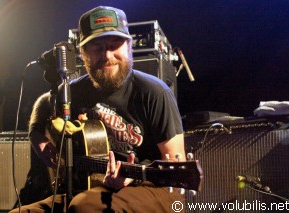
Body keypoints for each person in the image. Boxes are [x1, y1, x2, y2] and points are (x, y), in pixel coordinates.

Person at [10, 6, 186, 213]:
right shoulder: (73, 90)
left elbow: (177, 167)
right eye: (98, 48)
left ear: (129, 46)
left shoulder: (154, 92)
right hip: (88, 188)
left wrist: (133, 178)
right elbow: (43, 102)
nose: (107, 55)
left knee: (85, 206)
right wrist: (36, 136)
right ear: (84, 54)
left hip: (155, 189)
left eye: (114, 45)